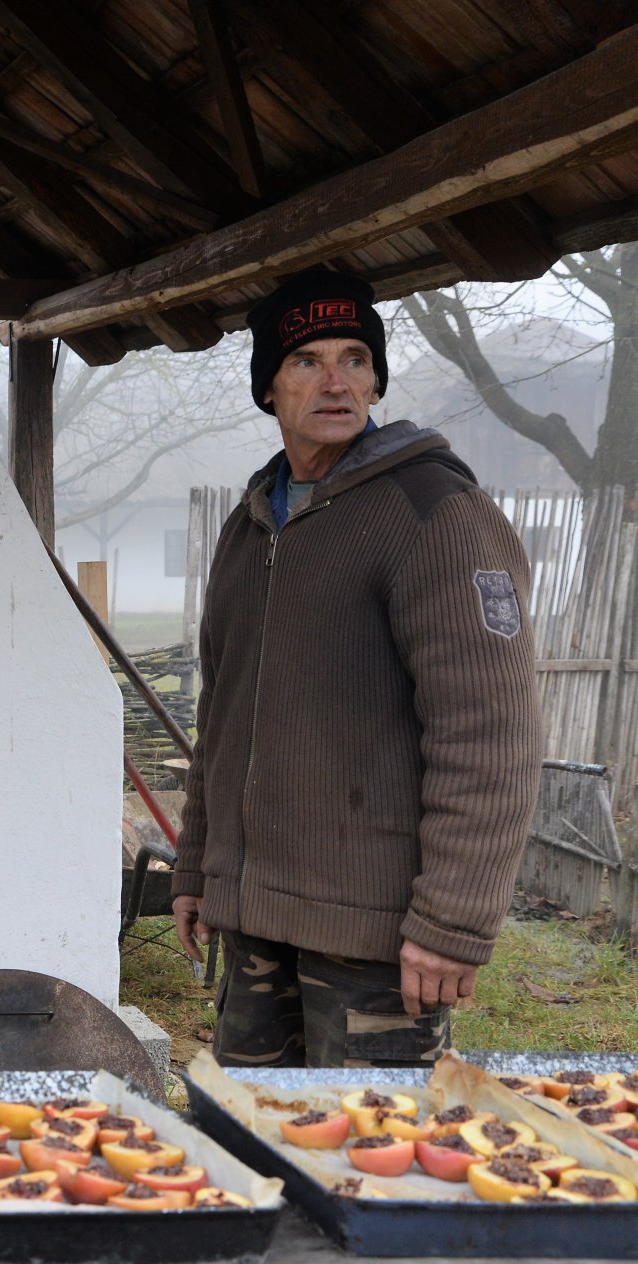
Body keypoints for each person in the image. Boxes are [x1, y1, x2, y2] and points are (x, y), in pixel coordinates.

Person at [170, 267, 542, 1068]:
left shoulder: (435, 513)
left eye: (355, 359)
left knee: (370, 1165)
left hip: (378, 933)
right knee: (255, 1146)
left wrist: (453, 922)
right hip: (257, 918)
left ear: (376, 378)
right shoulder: (249, 527)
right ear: (268, 387)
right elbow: (224, 717)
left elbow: (492, 732)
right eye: (306, 361)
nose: (336, 382)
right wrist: (198, 866)